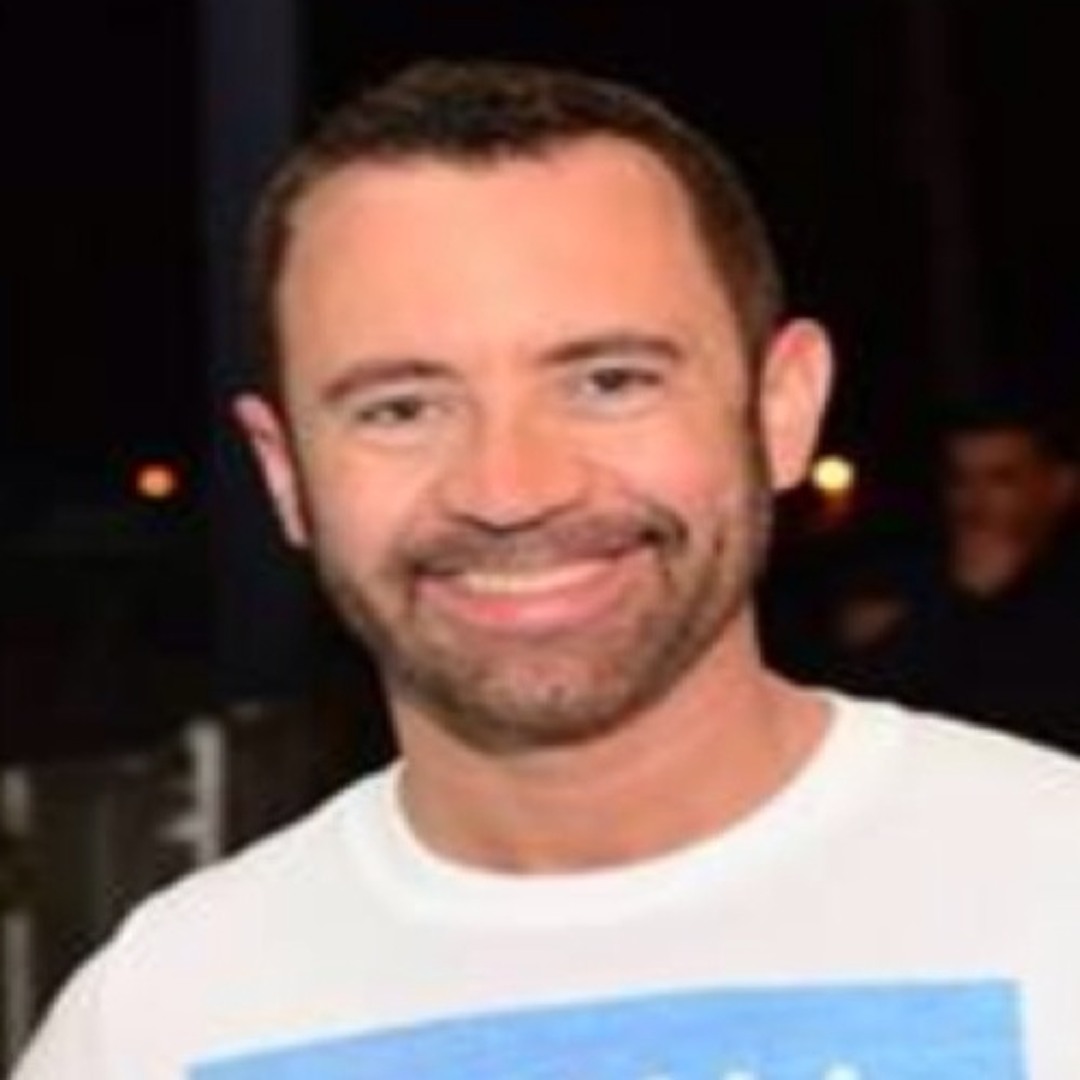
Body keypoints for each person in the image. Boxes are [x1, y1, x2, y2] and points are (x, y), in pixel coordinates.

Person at [15, 60, 1080, 1078]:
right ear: (285, 472)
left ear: (782, 408)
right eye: (401, 408)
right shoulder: (160, 1021)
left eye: (608, 382)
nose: (510, 487)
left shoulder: (1050, 891)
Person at [818, 404, 1080, 753]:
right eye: (959, 479)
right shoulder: (897, 578)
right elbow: (859, 709)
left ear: (1061, 486)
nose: (975, 501)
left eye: (1002, 479)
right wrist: (957, 602)